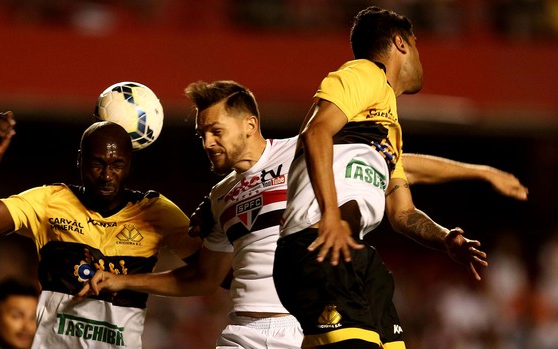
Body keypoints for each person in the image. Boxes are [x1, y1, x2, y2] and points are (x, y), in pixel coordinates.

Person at [79, 80, 525, 348]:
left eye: (215, 131)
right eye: (201, 136)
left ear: (249, 124)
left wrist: (479, 172)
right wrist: (122, 280)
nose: (208, 142)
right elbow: (202, 277)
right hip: (242, 333)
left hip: (303, 328)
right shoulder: (218, 197)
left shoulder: (303, 150)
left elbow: (394, 166)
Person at [273, 6, 493, 348]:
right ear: (400, 42)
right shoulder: (364, 74)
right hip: (317, 242)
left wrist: (444, 238)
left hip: (356, 253)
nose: (421, 57)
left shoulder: (389, 130)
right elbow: (316, 132)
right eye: (417, 45)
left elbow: (402, 214)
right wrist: (330, 213)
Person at [0, 112, 203, 349]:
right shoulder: (49, 202)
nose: (107, 175)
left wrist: (216, 226)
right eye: (97, 164)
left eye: (117, 165)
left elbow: (211, 275)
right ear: (80, 160)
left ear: (129, 165)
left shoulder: (156, 212)